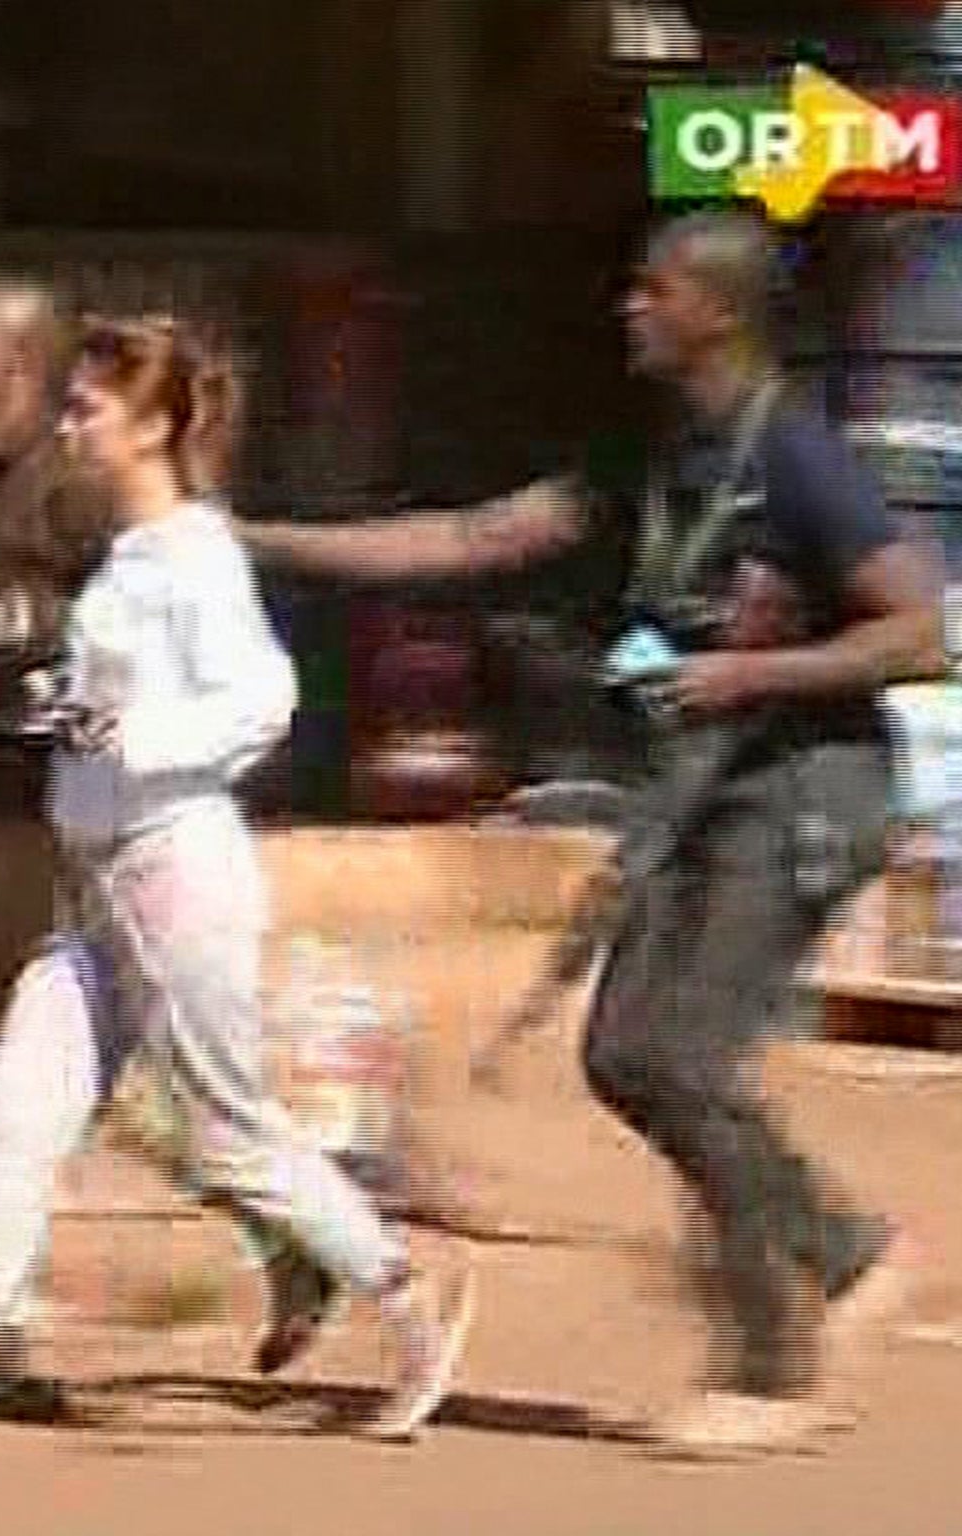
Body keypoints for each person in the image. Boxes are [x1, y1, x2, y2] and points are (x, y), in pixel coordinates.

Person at [233, 211, 946, 1457]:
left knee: (677, 1061)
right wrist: (256, 541)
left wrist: (746, 681)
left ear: (715, 312)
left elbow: (919, 630)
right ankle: (849, 1257)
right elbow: (471, 539)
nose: (627, 307)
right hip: (708, 791)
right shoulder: (654, 452)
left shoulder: (792, 457)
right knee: (624, 1054)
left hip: (806, 790)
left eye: (651, 289)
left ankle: (778, 1363)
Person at [0, 314, 476, 1442]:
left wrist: (133, 734)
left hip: (179, 873)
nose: (67, 426)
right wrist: (57, 717)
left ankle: (407, 1296)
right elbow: (96, 708)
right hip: (94, 882)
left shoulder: (197, 557)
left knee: (229, 1135)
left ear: (155, 427)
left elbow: (261, 703)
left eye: (88, 411)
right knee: (19, 1117)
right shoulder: (124, 559)